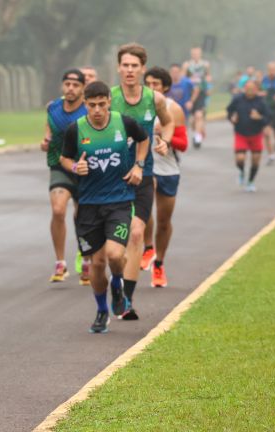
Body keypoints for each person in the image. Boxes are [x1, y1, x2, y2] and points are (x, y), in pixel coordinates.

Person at [60, 81, 149, 333]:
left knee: (114, 255)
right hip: (88, 206)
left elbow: (144, 139)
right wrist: (76, 167)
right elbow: (64, 158)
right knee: (97, 264)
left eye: (101, 104)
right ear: (85, 104)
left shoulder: (124, 123)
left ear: (109, 101)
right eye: (92, 105)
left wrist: (138, 166)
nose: (97, 110)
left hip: (119, 201)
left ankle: (118, 285)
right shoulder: (75, 130)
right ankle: (101, 310)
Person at [111, 43, 174, 319]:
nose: (129, 70)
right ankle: (116, 280)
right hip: (111, 178)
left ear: (142, 69)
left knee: (137, 233)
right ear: (118, 68)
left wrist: (165, 142)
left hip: (144, 175)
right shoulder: (109, 98)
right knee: (112, 247)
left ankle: (126, 298)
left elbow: (168, 122)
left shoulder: (154, 99)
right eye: (125, 65)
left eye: (134, 65)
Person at [41, 69, 90, 284]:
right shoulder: (53, 107)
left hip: (85, 169)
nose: (70, 88)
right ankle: (60, 262)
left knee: (83, 217)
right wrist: (45, 142)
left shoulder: (88, 109)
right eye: (67, 83)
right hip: (59, 165)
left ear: (82, 88)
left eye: (75, 84)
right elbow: (48, 133)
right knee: (58, 210)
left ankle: (86, 259)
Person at [141, 67, 189, 288]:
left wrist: (163, 135)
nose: (152, 88)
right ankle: (147, 247)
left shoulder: (173, 109)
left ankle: (159, 263)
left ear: (166, 87)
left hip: (168, 169)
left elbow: (183, 144)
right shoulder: (138, 107)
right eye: (148, 84)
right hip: (145, 168)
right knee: (143, 210)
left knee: (163, 221)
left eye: (156, 85)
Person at [226, 79, 271, 192]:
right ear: (244, 88)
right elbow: (229, 110)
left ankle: (250, 182)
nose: (250, 90)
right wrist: (232, 118)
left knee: (255, 160)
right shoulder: (237, 99)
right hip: (241, 133)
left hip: (256, 135)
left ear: (256, 90)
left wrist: (259, 118)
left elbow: (268, 118)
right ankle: (242, 172)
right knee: (240, 159)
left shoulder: (261, 102)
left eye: (252, 88)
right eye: (248, 88)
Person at [183, 47, 211, 149]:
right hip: (190, 92)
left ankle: (197, 138)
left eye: (197, 53)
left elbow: (208, 76)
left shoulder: (205, 64)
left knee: (199, 115)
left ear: (200, 54)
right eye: (194, 53)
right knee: (192, 120)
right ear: (191, 54)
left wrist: (208, 83)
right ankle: (197, 131)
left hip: (201, 92)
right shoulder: (187, 65)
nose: (195, 55)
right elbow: (183, 77)